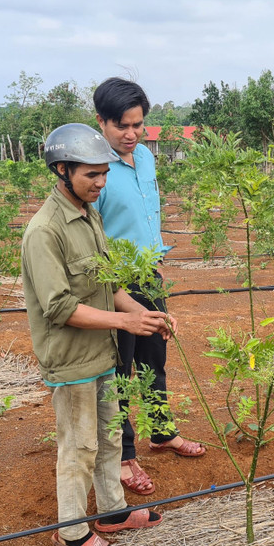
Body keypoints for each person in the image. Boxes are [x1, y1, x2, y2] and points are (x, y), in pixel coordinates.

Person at [21, 123, 169, 546]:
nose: (101, 183)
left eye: (105, 173)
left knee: (108, 438)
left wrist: (142, 313)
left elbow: (108, 282)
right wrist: (125, 321)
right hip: (72, 360)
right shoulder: (45, 231)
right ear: (62, 170)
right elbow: (59, 307)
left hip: (104, 350)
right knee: (79, 445)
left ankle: (112, 512)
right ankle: (70, 531)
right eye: (92, 175)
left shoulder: (90, 213)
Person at [91, 77, 205, 497]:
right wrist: (122, 299)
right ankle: (123, 455)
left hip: (149, 275)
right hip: (113, 283)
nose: (131, 134)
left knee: (155, 360)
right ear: (101, 121)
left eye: (138, 125)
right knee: (119, 370)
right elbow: (93, 238)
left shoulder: (144, 158)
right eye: (122, 125)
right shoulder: (95, 168)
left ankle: (161, 432)